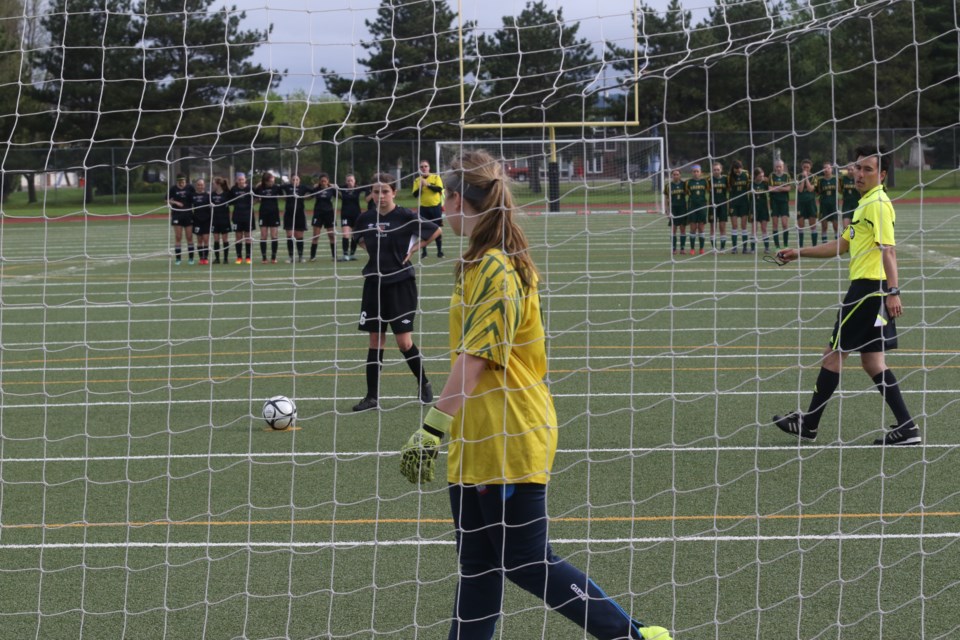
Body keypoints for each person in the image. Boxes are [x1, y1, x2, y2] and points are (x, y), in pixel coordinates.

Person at [398, 150, 672, 640]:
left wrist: (431, 427)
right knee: (479, 565)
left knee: (526, 562)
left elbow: (476, 357)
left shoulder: (497, 268)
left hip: (509, 434)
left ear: (459, 198)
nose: (440, 209)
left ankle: (629, 635)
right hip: (479, 437)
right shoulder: (480, 263)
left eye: (445, 199)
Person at [772, 144, 919, 446]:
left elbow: (888, 250)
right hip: (872, 290)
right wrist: (799, 252)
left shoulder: (877, 203)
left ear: (883, 174)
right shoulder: (865, 203)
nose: (860, 173)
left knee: (832, 356)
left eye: (868, 169)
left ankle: (809, 425)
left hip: (867, 291)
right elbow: (842, 245)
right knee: (873, 362)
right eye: (857, 167)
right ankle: (908, 428)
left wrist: (893, 291)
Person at [351, 172, 441, 412]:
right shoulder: (366, 218)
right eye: (376, 191)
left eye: (385, 192)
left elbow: (435, 231)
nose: (380, 196)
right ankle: (372, 397)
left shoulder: (404, 215)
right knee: (375, 340)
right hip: (374, 283)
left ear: (394, 192)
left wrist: (415, 248)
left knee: (403, 342)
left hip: (401, 284)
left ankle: (423, 382)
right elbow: (358, 238)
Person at [412, 159, 445, 258]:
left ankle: (439, 252)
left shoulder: (435, 177)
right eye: (422, 167)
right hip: (423, 208)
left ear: (429, 168)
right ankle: (424, 252)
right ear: (419, 169)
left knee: (437, 229)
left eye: (425, 166)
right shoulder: (417, 180)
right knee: (423, 229)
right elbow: (415, 194)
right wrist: (421, 186)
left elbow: (439, 189)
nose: (424, 168)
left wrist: (428, 185)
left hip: (435, 207)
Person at [254, 171, 283, 263]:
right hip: (263, 213)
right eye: (270, 181)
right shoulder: (260, 188)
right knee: (263, 235)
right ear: (265, 181)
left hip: (274, 213)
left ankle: (274, 257)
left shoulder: (276, 187)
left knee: (274, 235)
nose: (272, 182)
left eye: (273, 180)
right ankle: (264, 258)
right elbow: (253, 194)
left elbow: (284, 193)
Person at [167, 174, 195, 265]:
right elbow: (166, 200)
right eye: (180, 182)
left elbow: (195, 197)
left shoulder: (190, 188)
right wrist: (175, 202)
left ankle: (191, 259)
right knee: (178, 237)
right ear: (177, 181)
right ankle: (178, 259)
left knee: (189, 237)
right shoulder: (173, 189)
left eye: (183, 182)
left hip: (188, 215)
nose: (182, 183)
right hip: (177, 215)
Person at [309, 173, 338, 262]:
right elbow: (308, 197)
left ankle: (334, 256)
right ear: (319, 182)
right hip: (318, 214)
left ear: (328, 181)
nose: (323, 182)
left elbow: (340, 196)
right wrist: (312, 188)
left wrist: (336, 187)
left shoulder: (331, 189)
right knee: (316, 236)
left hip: (329, 214)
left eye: (325, 181)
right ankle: (312, 256)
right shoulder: (316, 189)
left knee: (331, 235)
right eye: (322, 181)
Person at [338, 173, 366, 261]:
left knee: (355, 235)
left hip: (356, 215)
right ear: (345, 182)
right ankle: (345, 254)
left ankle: (352, 254)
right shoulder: (343, 188)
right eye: (348, 180)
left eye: (351, 180)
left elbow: (369, 187)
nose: (350, 182)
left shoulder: (358, 189)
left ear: (354, 181)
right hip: (345, 215)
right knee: (346, 234)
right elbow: (331, 186)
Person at [282, 174, 310, 263]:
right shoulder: (287, 187)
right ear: (291, 180)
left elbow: (314, 191)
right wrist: (283, 197)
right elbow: (277, 188)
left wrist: (307, 197)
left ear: (299, 180)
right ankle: (291, 256)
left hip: (300, 214)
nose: (295, 181)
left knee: (299, 236)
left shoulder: (303, 187)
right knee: (290, 235)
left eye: (296, 179)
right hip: (289, 214)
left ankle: (300, 256)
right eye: (293, 179)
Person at [229, 172, 255, 264]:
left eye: (242, 179)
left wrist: (252, 204)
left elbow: (257, 198)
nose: (241, 181)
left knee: (248, 237)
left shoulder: (250, 188)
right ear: (236, 180)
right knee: (238, 237)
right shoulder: (233, 189)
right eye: (239, 180)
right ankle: (239, 257)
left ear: (245, 180)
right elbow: (229, 200)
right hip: (237, 216)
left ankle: (248, 257)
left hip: (248, 216)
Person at [727, 160, 751, 254]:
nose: (737, 171)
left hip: (744, 202)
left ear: (741, 167)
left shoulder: (746, 174)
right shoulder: (730, 176)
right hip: (733, 203)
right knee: (734, 226)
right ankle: (734, 248)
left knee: (744, 226)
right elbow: (728, 188)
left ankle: (745, 248)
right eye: (735, 169)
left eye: (739, 169)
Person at [685, 164, 709, 255]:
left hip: (702, 207)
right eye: (694, 171)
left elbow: (708, 191)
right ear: (692, 172)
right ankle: (692, 249)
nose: (696, 173)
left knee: (701, 228)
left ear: (700, 172)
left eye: (697, 171)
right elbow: (686, 193)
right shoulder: (688, 182)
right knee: (693, 228)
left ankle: (701, 248)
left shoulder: (705, 182)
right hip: (692, 207)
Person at [209, 177, 233, 264]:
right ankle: (217, 259)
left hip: (224, 219)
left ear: (218, 184)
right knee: (216, 240)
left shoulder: (227, 194)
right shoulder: (212, 195)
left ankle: (226, 258)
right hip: (215, 219)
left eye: (213, 184)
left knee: (225, 239)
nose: (212, 185)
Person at [795, 159, 818, 247]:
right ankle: (800, 246)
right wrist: (803, 178)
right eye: (804, 167)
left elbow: (810, 189)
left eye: (807, 167)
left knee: (813, 226)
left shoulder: (814, 176)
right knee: (800, 226)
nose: (806, 169)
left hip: (811, 203)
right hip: (801, 203)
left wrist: (806, 177)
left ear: (810, 167)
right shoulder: (798, 176)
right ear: (802, 167)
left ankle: (814, 246)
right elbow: (800, 189)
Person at [769, 159, 791, 249]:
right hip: (774, 202)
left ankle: (785, 245)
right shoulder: (772, 175)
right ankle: (777, 246)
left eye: (780, 166)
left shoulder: (786, 176)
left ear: (783, 167)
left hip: (784, 202)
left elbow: (788, 188)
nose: (778, 168)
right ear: (775, 167)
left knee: (785, 224)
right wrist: (782, 187)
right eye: (777, 166)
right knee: (775, 224)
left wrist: (777, 188)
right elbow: (770, 188)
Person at [665, 168, 687, 255]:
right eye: (674, 174)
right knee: (673, 229)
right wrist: (667, 210)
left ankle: (682, 248)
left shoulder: (684, 184)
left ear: (680, 175)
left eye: (677, 174)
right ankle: (674, 248)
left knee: (682, 229)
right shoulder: (668, 186)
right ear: (671, 176)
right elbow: (667, 199)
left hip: (682, 209)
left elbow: (688, 195)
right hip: (673, 209)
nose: (676, 176)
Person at [190, 178, 212, 265]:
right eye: (198, 185)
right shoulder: (192, 195)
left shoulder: (208, 195)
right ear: (196, 185)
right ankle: (201, 258)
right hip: (197, 220)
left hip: (206, 220)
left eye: (201, 185)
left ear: (204, 185)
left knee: (206, 239)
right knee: (199, 240)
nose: (200, 186)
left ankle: (205, 258)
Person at [817, 162, 839, 245]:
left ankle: (837, 244)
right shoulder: (820, 181)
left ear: (831, 169)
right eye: (824, 168)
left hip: (834, 205)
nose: (826, 169)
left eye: (828, 168)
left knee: (835, 226)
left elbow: (840, 191)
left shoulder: (836, 179)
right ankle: (824, 243)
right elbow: (817, 192)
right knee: (824, 226)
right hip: (824, 205)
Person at [709, 161, 729, 252]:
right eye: (714, 170)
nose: (716, 171)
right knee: (713, 227)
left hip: (723, 205)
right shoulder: (709, 180)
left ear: (721, 170)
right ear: (712, 171)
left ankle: (722, 247)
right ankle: (714, 248)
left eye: (718, 169)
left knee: (722, 226)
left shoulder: (726, 179)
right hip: (712, 205)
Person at [751, 166, 770, 254]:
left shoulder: (765, 183)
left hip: (763, 207)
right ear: (755, 176)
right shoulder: (750, 184)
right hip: (754, 207)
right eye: (760, 176)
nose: (762, 177)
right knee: (754, 228)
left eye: (763, 176)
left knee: (764, 228)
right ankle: (752, 248)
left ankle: (767, 248)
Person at [840, 161, 860, 231]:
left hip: (857, 204)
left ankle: (854, 241)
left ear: (855, 169)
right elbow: (840, 191)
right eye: (848, 170)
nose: (850, 171)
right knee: (845, 226)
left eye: (852, 169)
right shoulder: (843, 179)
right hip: (846, 205)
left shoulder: (859, 178)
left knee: (856, 226)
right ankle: (846, 241)